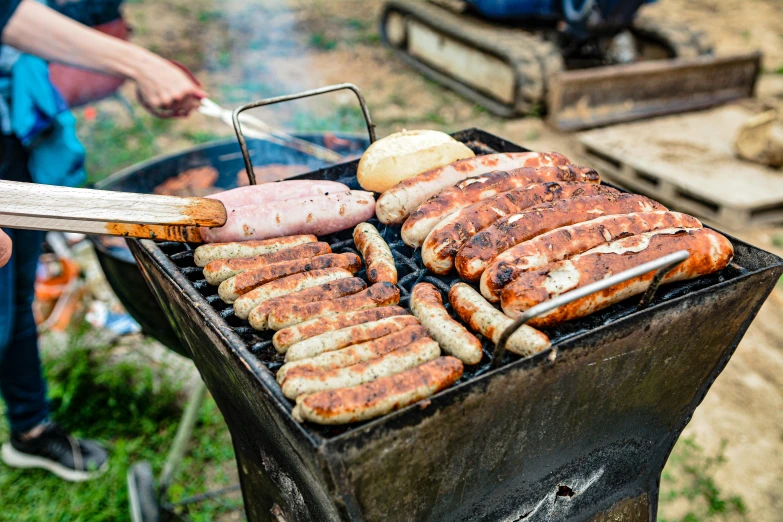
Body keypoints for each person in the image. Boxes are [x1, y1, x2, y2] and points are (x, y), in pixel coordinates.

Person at [0, 0, 205, 481]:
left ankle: (30, 428)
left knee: (15, 293)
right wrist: (141, 64)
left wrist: (135, 65)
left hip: (7, 137)